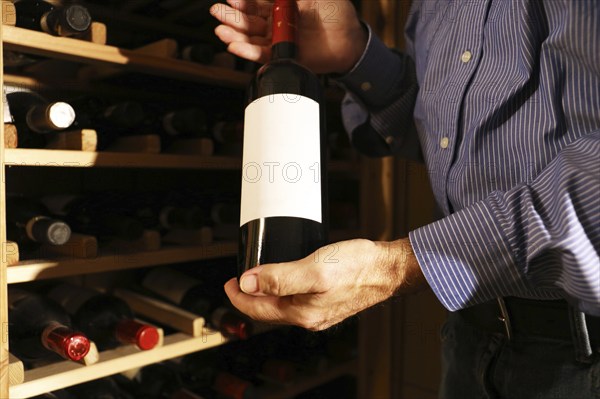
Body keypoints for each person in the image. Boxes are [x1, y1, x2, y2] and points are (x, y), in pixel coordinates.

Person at [210, 0, 600, 397]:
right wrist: (352, 52)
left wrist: (397, 266)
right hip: (470, 335)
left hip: (583, 358)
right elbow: (444, 138)